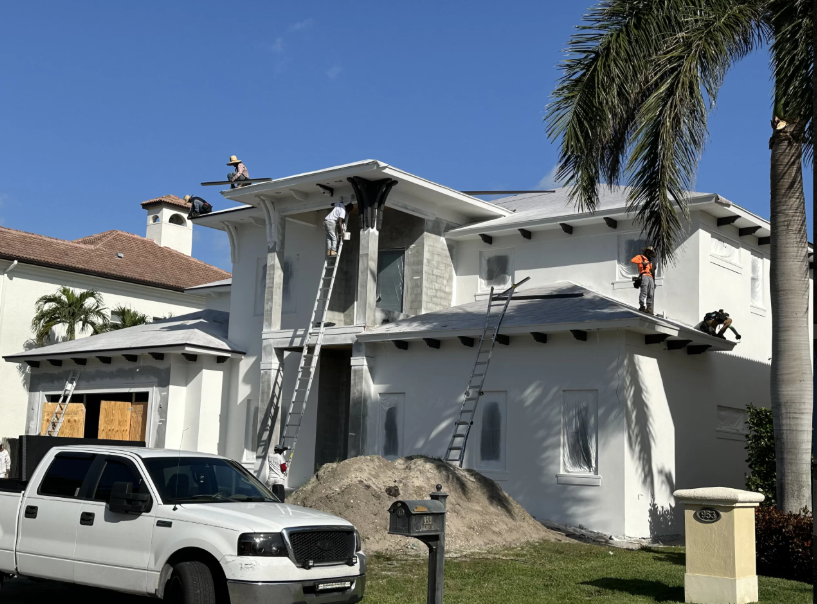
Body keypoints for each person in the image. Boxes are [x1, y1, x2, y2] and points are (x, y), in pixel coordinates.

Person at [631, 246, 657, 314]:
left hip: (650, 277)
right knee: (644, 291)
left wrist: (653, 267)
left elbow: (652, 270)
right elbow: (632, 260)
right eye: (649, 252)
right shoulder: (640, 257)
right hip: (644, 275)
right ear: (646, 251)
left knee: (651, 293)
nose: (650, 254)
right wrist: (641, 262)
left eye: (651, 253)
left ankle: (649, 308)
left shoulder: (649, 261)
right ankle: (642, 306)